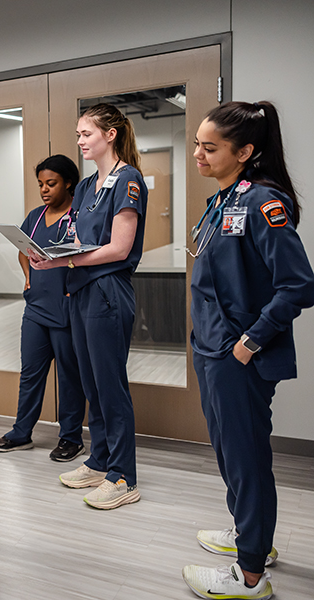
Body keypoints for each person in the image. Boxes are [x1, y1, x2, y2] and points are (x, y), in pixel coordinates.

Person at [180, 101, 314, 600]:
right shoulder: (224, 200)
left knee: (248, 460)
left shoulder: (262, 203)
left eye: (209, 147)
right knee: (231, 455)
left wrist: (250, 342)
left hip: (240, 356)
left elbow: (299, 286)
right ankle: (248, 535)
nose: (197, 153)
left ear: (246, 151)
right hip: (213, 349)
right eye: (197, 142)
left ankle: (250, 575)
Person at [29, 103, 147, 509]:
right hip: (79, 289)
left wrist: (67, 260)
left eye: (86, 134)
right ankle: (99, 461)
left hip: (107, 291)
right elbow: (79, 239)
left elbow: (119, 248)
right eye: (78, 135)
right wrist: (46, 253)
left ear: (109, 135)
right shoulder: (84, 187)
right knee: (91, 383)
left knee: (110, 384)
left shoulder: (127, 181)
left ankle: (124, 476)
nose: (79, 141)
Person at [0, 155, 87, 461]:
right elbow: (24, 251)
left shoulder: (80, 216)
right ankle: (21, 432)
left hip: (67, 308)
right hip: (36, 308)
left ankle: (71, 437)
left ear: (69, 183)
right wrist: (29, 275)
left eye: (51, 183)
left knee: (70, 376)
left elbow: (88, 256)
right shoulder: (35, 216)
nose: (44, 189)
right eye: (41, 184)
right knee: (31, 373)